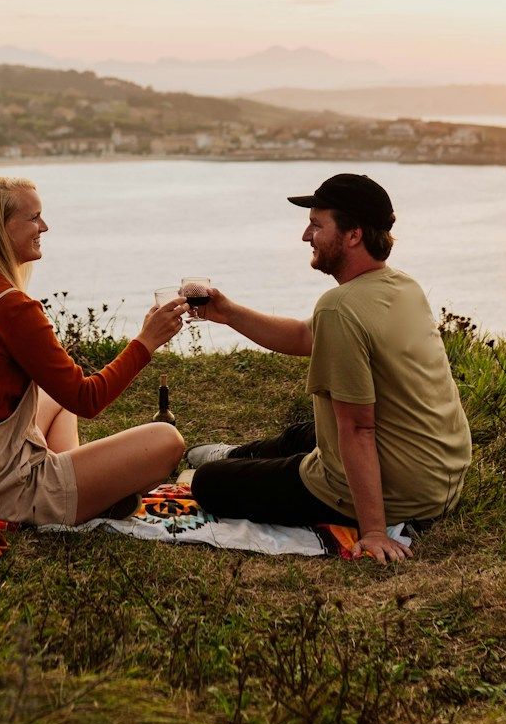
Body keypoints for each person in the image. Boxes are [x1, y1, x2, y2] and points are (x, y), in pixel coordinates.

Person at [187, 173, 472, 562]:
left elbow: (357, 428)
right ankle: (237, 454)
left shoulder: (340, 306)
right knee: (301, 435)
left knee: (208, 485)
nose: (306, 236)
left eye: (317, 225)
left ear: (352, 234)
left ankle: (228, 465)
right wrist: (228, 313)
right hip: (438, 479)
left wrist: (372, 530)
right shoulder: (402, 287)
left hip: (400, 493)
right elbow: (307, 336)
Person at [0, 176, 188, 526]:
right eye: (33, 218)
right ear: (0, 230)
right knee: (166, 440)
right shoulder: (10, 306)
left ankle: (88, 494)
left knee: (55, 397)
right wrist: (146, 342)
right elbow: (87, 399)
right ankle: (81, 500)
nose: (44, 226)